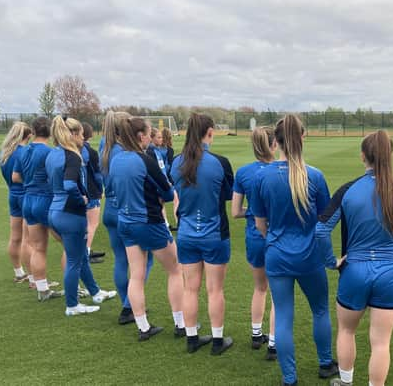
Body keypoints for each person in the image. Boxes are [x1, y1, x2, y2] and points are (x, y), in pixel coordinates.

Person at [316, 130, 393, 386]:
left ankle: (346, 382)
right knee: (381, 342)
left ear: (363, 156)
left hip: (354, 271)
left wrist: (331, 262)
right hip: (390, 273)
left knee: (347, 331)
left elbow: (321, 230)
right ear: (391, 155)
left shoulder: (348, 190)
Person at [249, 114, 337, 386]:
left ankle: (290, 378)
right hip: (310, 255)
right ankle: (325, 363)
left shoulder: (262, 178)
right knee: (320, 310)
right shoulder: (315, 176)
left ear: (276, 141)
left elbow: (260, 223)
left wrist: (275, 237)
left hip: (277, 254)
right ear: (302, 137)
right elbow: (326, 221)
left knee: (284, 317)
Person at [109, 117, 184, 341]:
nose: (151, 138)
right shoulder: (145, 160)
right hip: (148, 222)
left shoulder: (115, 160)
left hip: (126, 222)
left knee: (137, 275)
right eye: (149, 134)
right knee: (175, 270)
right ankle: (181, 324)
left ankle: (143, 327)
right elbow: (168, 193)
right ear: (141, 136)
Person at [171, 113, 235, 355]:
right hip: (214, 234)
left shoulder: (176, 162)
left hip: (187, 234)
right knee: (214, 290)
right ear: (209, 132)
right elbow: (228, 195)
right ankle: (217, 341)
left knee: (190, 289)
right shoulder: (220, 162)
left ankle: (192, 339)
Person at [45, 116, 116, 315]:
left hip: (55, 210)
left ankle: (95, 292)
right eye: (82, 135)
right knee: (75, 260)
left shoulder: (53, 154)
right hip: (70, 213)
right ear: (74, 134)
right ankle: (72, 305)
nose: (83, 139)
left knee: (80, 255)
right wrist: (82, 198)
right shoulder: (73, 155)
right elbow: (69, 185)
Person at [100, 111, 155, 325]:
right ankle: (128, 306)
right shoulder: (122, 152)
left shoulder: (105, 147)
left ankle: (128, 303)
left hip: (110, 209)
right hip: (126, 208)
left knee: (121, 260)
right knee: (145, 260)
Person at [232, 126, 277, 360]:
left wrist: (254, 211)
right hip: (278, 237)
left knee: (260, 288)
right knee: (278, 294)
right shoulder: (281, 171)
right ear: (274, 145)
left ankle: (256, 334)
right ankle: (273, 344)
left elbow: (235, 211)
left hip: (254, 236)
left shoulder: (243, 173)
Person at [19, 117, 64, 301]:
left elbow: (17, 175)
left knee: (38, 247)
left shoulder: (24, 151)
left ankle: (43, 289)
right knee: (69, 243)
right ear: (50, 132)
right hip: (43, 199)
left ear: (34, 131)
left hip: (27, 199)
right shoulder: (48, 152)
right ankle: (75, 287)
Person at [0, 121, 33, 283]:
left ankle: (19, 272)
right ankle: (35, 278)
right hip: (25, 195)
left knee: (15, 237)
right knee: (29, 239)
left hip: (13, 194)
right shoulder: (24, 152)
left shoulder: (5, 153)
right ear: (28, 135)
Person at [81, 122, 105, 263]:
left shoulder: (73, 150)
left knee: (85, 223)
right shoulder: (91, 152)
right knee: (92, 223)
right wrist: (101, 188)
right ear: (90, 134)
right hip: (91, 191)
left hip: (81, 191)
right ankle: (86, 252)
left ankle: (86, 250)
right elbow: (97, 174)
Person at [161, 128, 179, 231]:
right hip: (168, 178)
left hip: (159, 178)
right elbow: (169, 166)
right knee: (176, 200)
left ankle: (165, 224)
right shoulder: (169, 150)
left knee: (161, 202)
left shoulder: (156, 149)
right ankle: (178, 222)